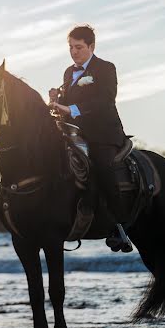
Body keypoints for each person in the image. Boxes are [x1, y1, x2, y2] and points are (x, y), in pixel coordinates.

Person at [48, 25, 131, 252]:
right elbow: (69, 100)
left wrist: (69, 108)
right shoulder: (68, 72)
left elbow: (105, 101)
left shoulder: (105, 68)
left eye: (79, 47)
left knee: (102, 167)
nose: (74, 52)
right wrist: (58, 98)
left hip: (103, 132)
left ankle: (120, 226)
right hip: (74, 133)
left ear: (91, 46)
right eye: (71, 47)